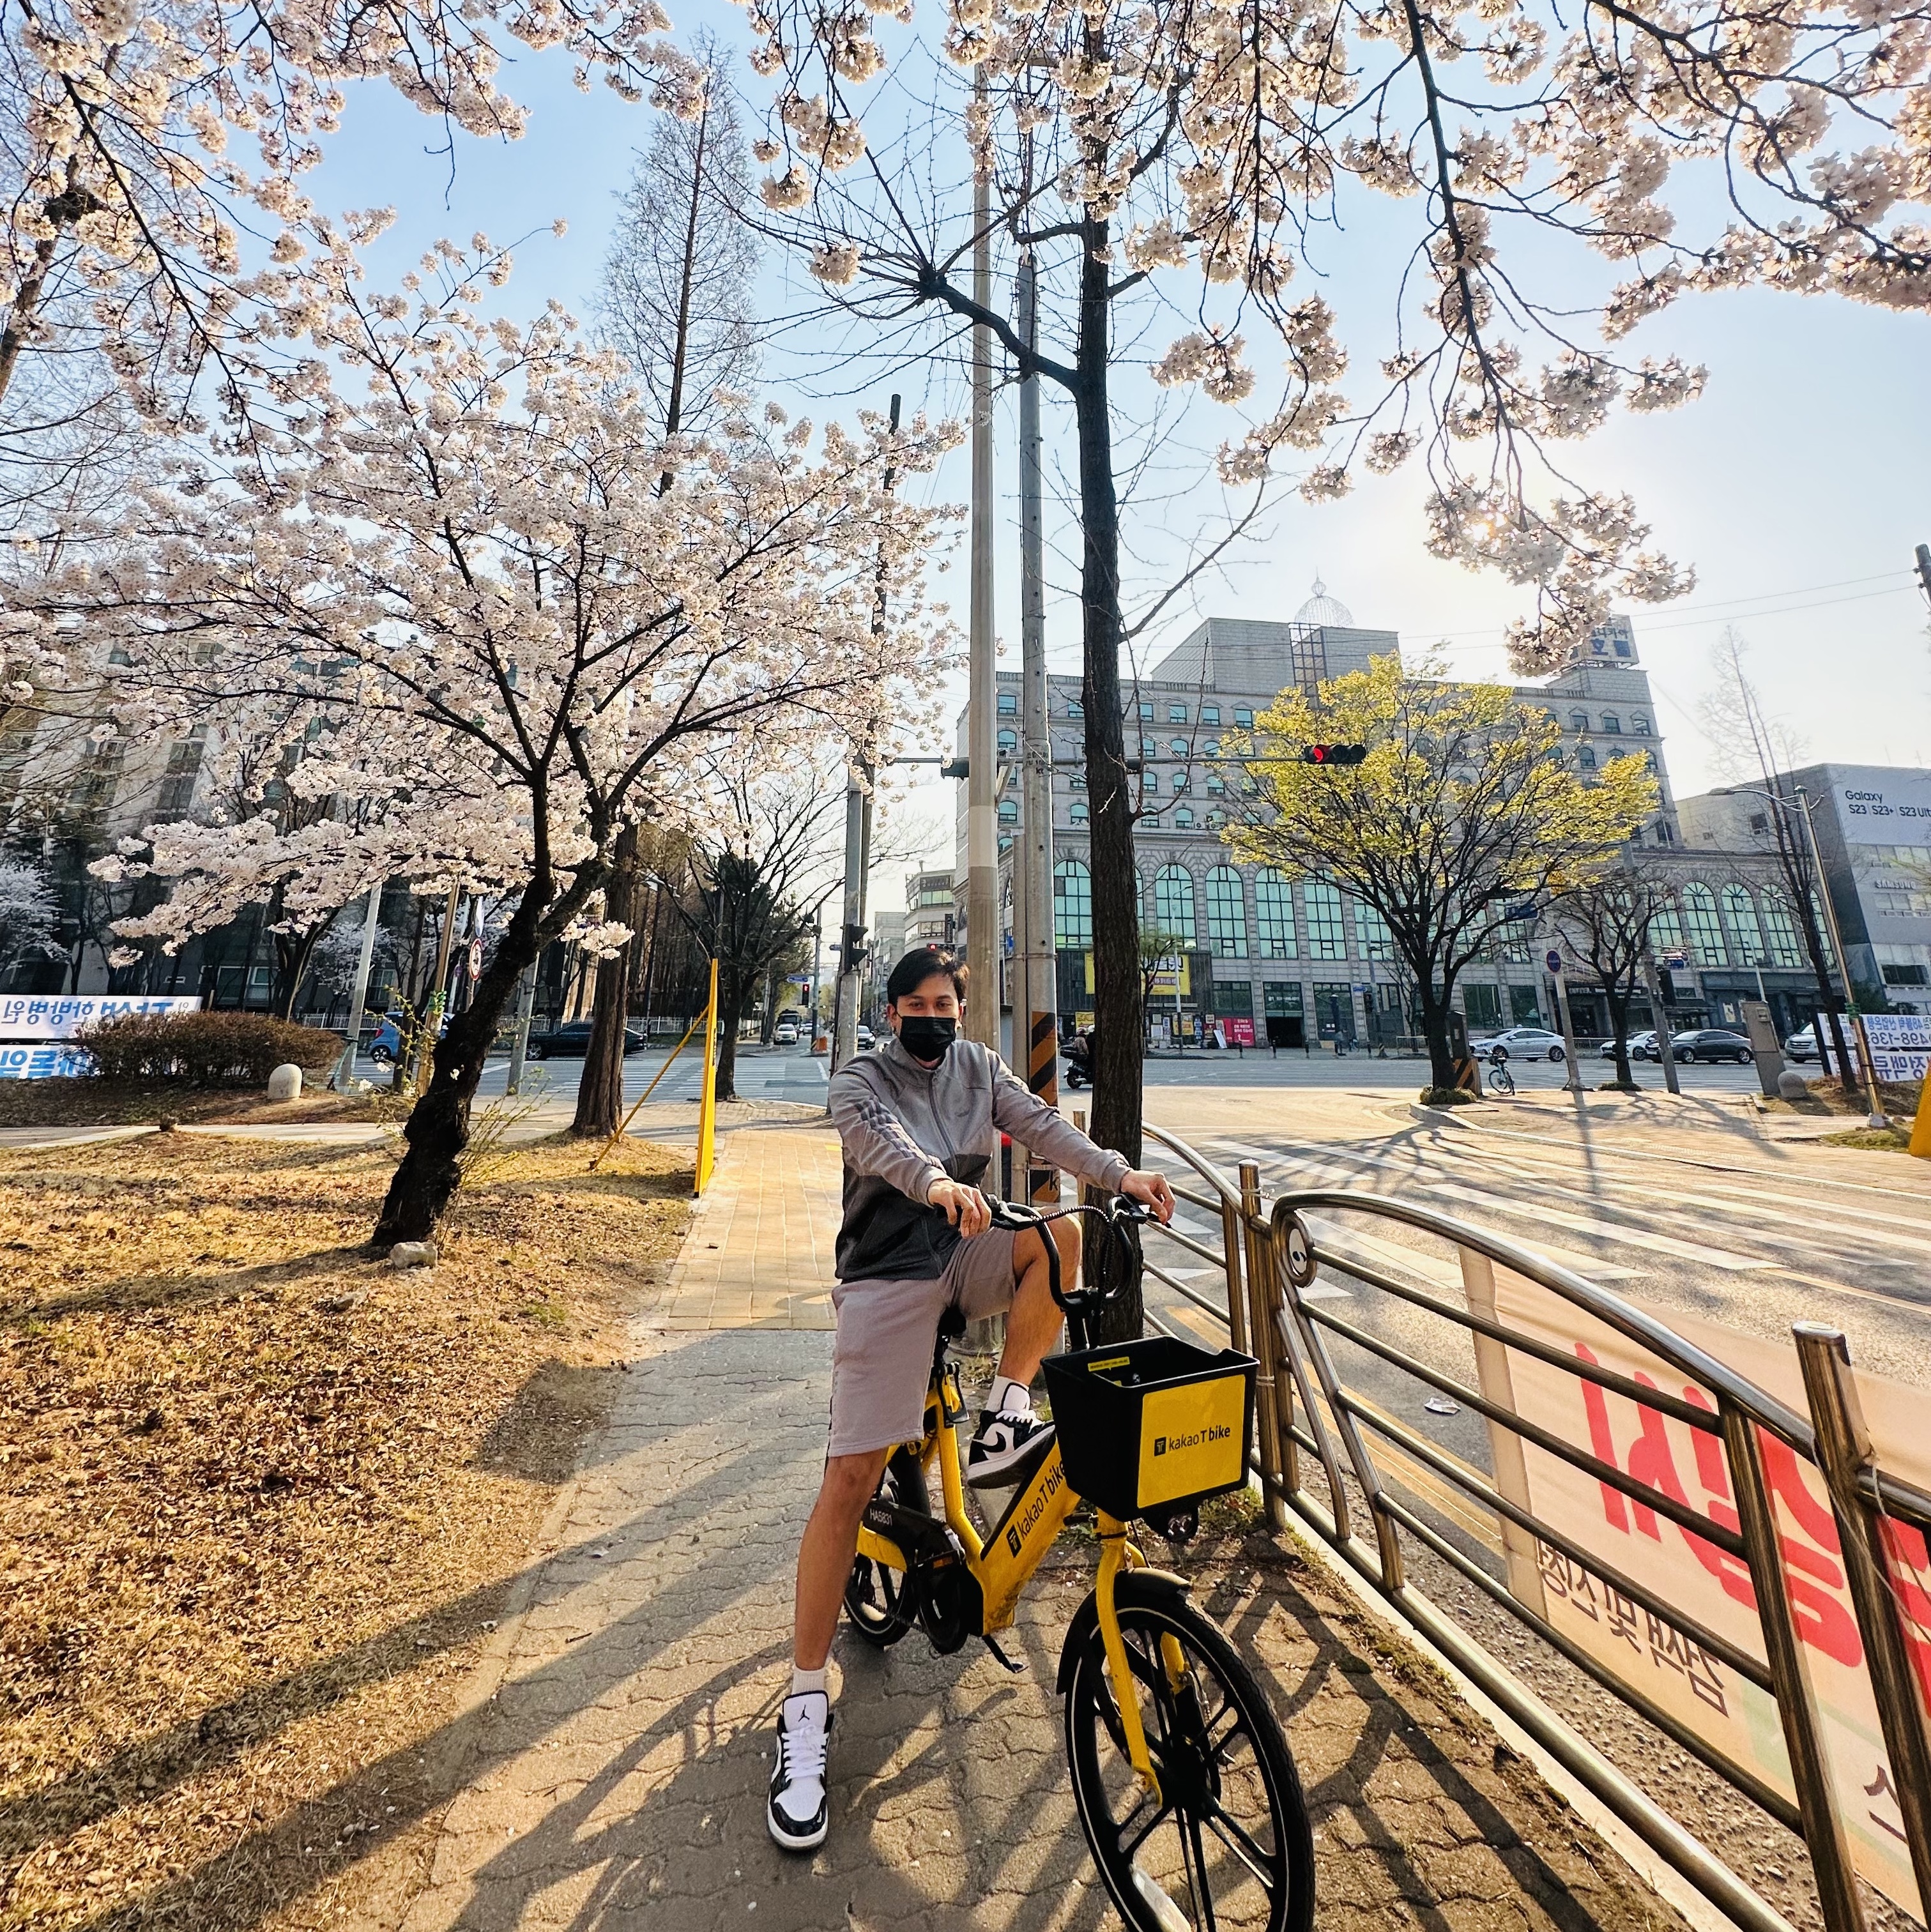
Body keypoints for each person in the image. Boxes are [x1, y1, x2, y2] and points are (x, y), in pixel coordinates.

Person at [767, 945, 1175, 1853]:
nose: (932, 1013)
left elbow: (1041, 1126)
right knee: (848, 1477)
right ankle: (803, 1701)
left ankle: (1010, 1407)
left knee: (1059, 1233)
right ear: (891, 1008)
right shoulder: (859, 1078)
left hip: (965, 1256)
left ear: (961, 1005)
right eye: (914, 1001)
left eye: (944, 1000)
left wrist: (1122, 1173)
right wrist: (938, 1182)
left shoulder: (980, 1066)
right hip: (888, 1277)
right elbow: (883, 1145)